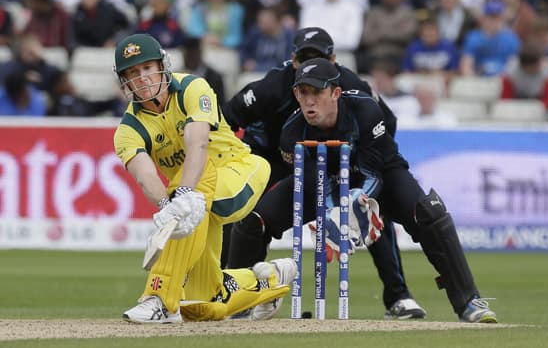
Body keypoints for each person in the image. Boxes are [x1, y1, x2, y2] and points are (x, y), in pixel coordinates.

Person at [263, 57, 497, 323]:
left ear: (335, 93)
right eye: (303, 93)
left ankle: (468, 302)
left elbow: (373, 172)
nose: (310, 101)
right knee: (254, 220)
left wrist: (357, 200)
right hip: (327, 181)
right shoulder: (291, 133)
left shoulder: (365, 110)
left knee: (430, 213)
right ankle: (239, 301)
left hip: (383, 175)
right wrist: (330, 211)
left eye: (316, 92)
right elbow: (310, 182)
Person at [223, 27, 427, 320]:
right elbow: (225, 118)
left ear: (333, 61)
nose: (309, 66)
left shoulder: (349, 83)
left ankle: (398, 296)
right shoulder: (272, 86)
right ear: (292, 60)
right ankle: (236, 295)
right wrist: (232, 160)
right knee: (242, 213)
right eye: (304, 58)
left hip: (329, 159)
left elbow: (386, 123)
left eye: (318, 58)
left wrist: (367, 158)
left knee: (366, 214)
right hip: (269, 161)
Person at [112, 33, 297, 323]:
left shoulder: (192, 87)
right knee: (204, 304)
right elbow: (144, 173)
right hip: (196, 205)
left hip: (240, 172)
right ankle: (269, 280)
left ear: (162, 65)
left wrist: (182, 194)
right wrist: (167, 207)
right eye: (133, 73)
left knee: (192, 185)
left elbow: (197, 144)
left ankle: (159, 297)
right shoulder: (128, 129)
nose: (143, 78)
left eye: (147, 68)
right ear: (125, 82)